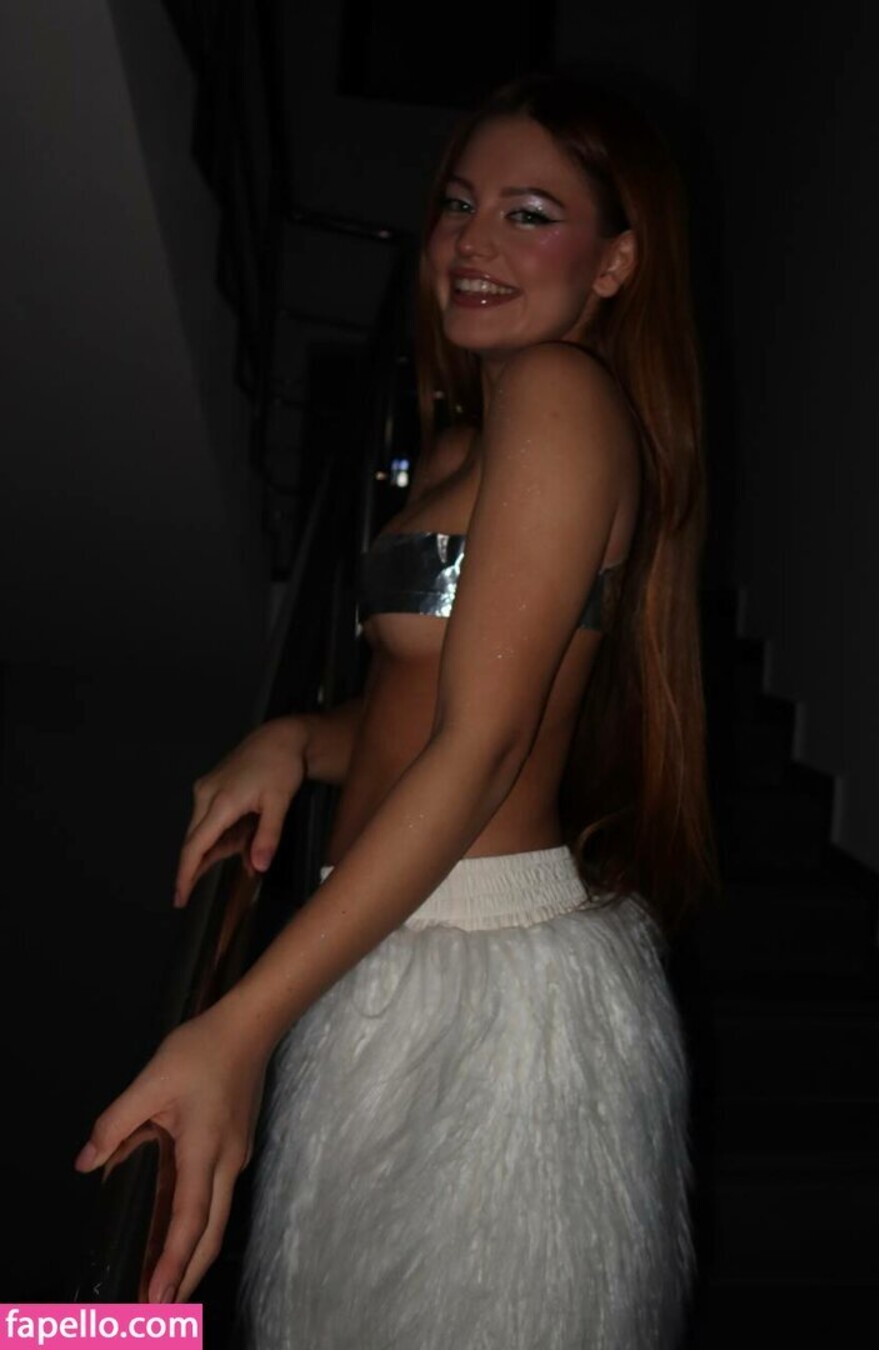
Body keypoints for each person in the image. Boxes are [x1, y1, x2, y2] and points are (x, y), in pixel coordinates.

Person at [74, 73, 715, 1349]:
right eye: (458, 204)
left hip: (489, 987)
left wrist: (238, 1030)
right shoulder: (469, 436)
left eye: (529, 214)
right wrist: (296, 739)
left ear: (616, 263)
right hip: (397, 951)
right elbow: (415, 708)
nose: (472, 241)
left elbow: (483, 749)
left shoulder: (563, 395)